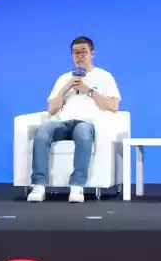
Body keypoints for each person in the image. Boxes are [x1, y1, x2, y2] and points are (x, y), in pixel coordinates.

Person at [27, 36, 121, 204]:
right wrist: (66, 88)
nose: (79, 56)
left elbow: (113, 106)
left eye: (83, 52)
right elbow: (51, 109)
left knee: (83, 132)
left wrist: (88, 90)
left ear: (92, 53)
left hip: (87, 123)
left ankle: (77, 185)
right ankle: (38, 185)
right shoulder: (64, 78)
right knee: (43, 131)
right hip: (63, 122)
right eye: (75, 53)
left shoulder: (104, 76)